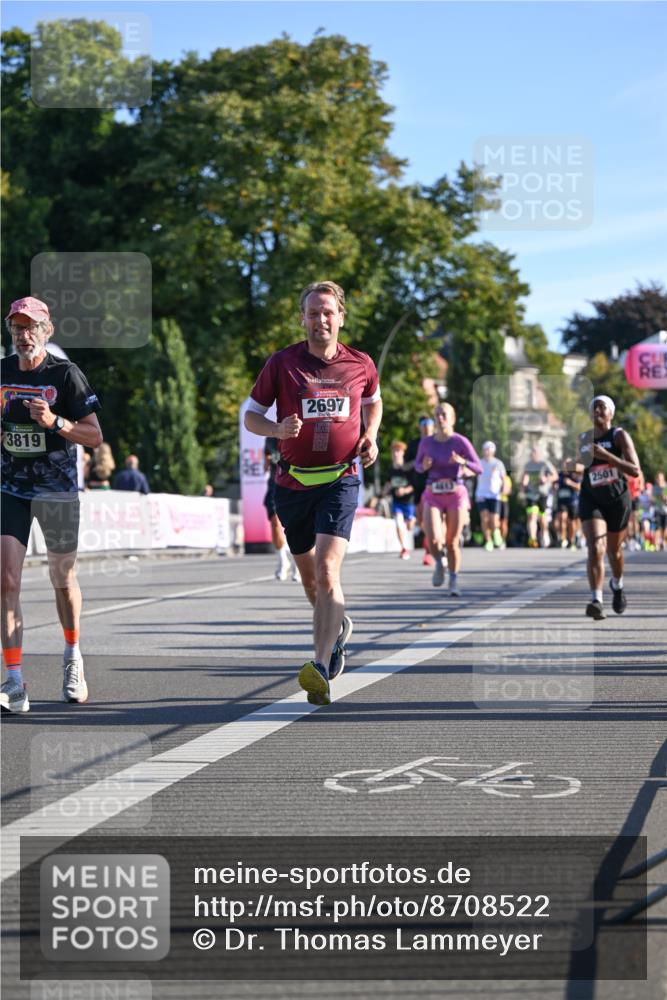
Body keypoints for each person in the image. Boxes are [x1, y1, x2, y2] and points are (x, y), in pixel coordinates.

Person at [243, 281, 381, 706]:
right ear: (302, 319)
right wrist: (277, 429)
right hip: (292, 482)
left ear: (340, 317)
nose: (320, 320)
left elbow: (374, 401)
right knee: (310, 581)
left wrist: (371, 436)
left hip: (341, 478)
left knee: (327, 571)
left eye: (328, 313)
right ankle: (337, 629)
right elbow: (251, 415)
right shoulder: (282, 363)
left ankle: (320, 666)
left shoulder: (360, 363)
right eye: (313, 313)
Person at [1, 296, 103, 713]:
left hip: (57, 489)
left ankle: (72, 655)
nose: (24, 335)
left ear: (47, 331)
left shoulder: (66, 375)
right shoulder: (2, 372)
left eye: (31, 327)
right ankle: (13, 680)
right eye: (17, 327)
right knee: (6, 581)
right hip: (10, 487)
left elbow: (94, 436)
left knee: (62, 579)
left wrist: (55, 423)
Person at [564, 394, 640, 620]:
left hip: (617, 500)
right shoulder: (584, 438)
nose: (597, 410)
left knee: (614, 552)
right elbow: (585, 466)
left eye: (602, 407)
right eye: (594, 407)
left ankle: (617, 585)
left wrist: (608, 456)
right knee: (595, 547)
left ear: (611, 413)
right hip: (592, 498)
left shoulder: (619, 436)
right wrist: (572, 466)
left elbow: (634, 469)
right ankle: (596, 600)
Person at [415, 403, 482, 596]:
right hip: (433, 492)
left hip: (455, 493)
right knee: (434, 538)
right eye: (437, 415)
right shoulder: (426, 442)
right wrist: (424, 466)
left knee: (452, 542)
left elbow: (479, 468)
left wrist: (463, 462)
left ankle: (454, 579)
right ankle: (438, 562)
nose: (440, 418)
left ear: (452, 418)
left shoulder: (460, 441)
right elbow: (418, 467)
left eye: (444, 414)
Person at [264, 436, 300, 581]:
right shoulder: (270, 438)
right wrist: (266, 462)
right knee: (275, 521)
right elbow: (267, 455)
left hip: (298, 483)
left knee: (298, 525)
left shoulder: (298, 435)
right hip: (276, 484)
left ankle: (299, 563)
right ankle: (283, 560)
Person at [405, 415, 435, 566]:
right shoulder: (413, 444)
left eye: (430, 423)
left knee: (433, 518)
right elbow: (405, 466)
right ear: (419, 426)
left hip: (435, 486)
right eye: (423, 423)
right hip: (418, 485)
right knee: (422, 520)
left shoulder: (438, 441)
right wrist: (418, 462)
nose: (427, 426)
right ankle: (431, 542)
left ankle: (429, 550)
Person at [383, 440, 416, 559]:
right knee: (398, 523)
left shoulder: (407, 468)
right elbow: (387, 484)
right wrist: (383, 493)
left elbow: (414, 485)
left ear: (403, 453)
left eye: (398, 451)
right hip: (396, 502)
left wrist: (404, 490)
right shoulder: (390, 470)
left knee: (410, 527)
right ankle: (404, 549)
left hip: (409, 502)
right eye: (394, 451)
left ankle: (412, 519)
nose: (396, 454)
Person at [521, 445, 557, 548]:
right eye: (532, 453)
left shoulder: (545, 464)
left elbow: (555, 475)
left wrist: (546, 479)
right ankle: (532, 539)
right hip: (531, 494)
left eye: (535, 453)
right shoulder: (528, 465)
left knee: (542, 518)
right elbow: (525, 477)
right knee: (531, 516)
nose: (533, 455)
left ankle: (544, 534)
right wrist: (523, 485)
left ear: (539, 454)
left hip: (543, 493)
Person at [474, 441, 506, 551]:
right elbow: (471, 471)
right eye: (485, 449)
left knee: (494, 519)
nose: (487, 451)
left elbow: (504, 478)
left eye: (489, 449)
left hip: (495, 495)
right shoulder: (479, 462)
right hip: (481, 494)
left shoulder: (498, 463)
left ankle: (496, 532)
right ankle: (488, 541)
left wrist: (504, 488)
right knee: (484, 518)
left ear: (493, 451)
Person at [554, 465, 582, 549]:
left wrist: (570, 483)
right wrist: (554, 486)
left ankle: (572, 539)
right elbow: (554, 483)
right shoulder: (560, 475)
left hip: (572, 502)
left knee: (572, 522)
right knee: (562, 518)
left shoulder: (574, 475)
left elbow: (579, 487)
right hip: (562, 501)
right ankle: (563, 539)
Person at [499, 469, 512, 548]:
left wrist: (503, 489)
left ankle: (503, 540)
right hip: (494, 500)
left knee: (503, 522)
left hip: (503, 501)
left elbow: (508, 491)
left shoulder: (506, 478)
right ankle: (495, 538)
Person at [653, 471, 666, 551]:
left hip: (665, 510)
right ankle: (657, 544)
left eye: (660, 478)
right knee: (657, 527)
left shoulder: (666, 487)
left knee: (664, 528)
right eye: (658, 478)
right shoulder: (655, 488)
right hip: (657, 510)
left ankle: (663, 542)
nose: (659, 479)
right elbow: (653, 498)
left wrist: (664, 498)